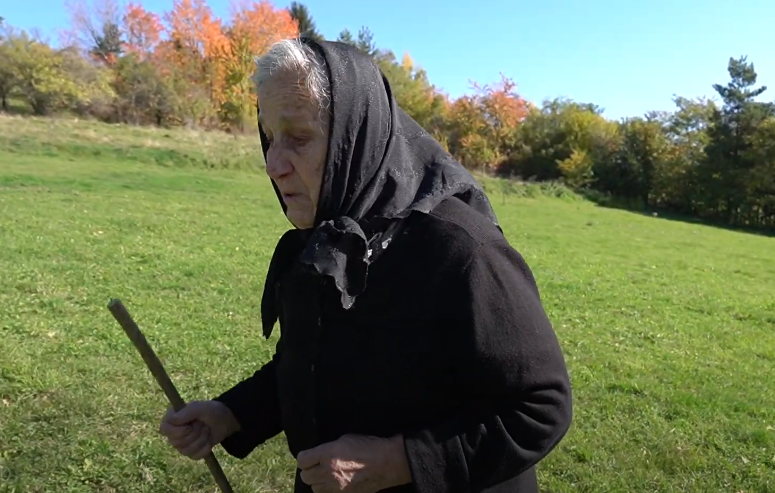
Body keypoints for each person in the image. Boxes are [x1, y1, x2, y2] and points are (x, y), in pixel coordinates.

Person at [159, 37, 573, 493]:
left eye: (298, 138)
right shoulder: (325, 237)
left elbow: (540, 405)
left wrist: (403, 460)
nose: (274, 164)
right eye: (269, 137)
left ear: (355, 136)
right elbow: (314, 363)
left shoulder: (462, 250)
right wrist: (231, 413)